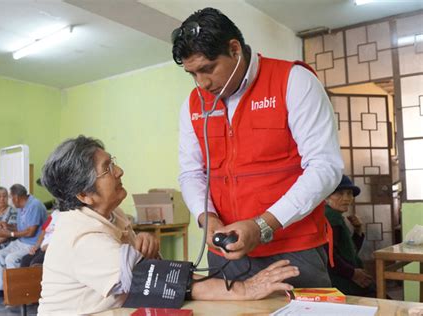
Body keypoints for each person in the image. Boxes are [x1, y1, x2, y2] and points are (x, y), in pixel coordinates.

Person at [173, 7, 343, 287]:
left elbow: (325, 167)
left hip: (292, 249)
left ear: (234, 48)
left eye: (207, 69)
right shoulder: (193, 104)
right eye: (192, 74)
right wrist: (207, 218)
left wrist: (263, 225)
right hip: (225, 252)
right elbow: (191, 173)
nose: (202, 83)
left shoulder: (293, 81)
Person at [38, 135, 299, 315]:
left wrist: (146, 260)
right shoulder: (81, 238)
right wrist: (244, 289)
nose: (119, 171)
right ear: (84, 195)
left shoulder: (112, 216)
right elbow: (159, 282)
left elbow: (153, 274)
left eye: (113, 162)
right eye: (107, 169)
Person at [0, 184, 47, 302]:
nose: (10, 201)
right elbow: (20, 227)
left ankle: (16, 293)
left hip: (32, 244)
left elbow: (30, 232)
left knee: (10, 258)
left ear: (16, 197)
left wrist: (9, 234)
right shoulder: (20, 207)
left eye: (10, 197)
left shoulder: (34, 205)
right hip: (21, 242)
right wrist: (7, 226)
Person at [325, 175, 375, 297]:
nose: (346, 198)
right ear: (325, 196)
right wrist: (352, 273)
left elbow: (349, 251)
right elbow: (329, 256)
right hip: (339, 282)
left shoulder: (335, 216)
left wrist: (358, 230)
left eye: (349, 193)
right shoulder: (331, 216)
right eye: (339, 193)